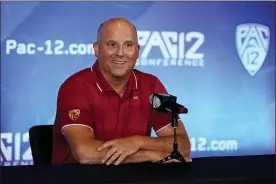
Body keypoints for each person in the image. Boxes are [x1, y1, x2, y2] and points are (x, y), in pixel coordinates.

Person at [51, 18, 191, 165]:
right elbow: (86, 154)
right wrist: (151, 155)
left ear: (137, 51)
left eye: (128, 45)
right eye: (112, 45)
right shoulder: (75, 87)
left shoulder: (151, 84)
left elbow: (182, 145)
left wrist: (137, 142)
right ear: (97, 49)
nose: (120, 53)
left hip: (134, 178)